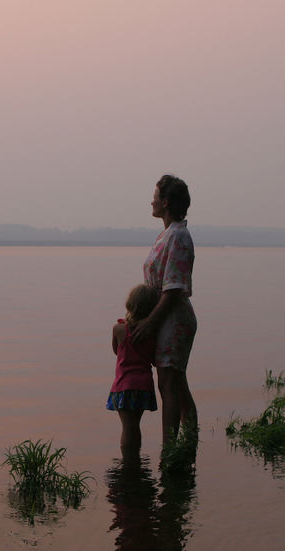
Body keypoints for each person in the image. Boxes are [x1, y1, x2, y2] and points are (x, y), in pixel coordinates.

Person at [132, 174, 198, 445]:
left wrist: (149, 322)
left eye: (156, 196)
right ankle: (187, 446)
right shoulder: (168, 234)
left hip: (173, 319)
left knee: (169, 386)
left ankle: (170, 452)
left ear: (166, 202)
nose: (152, 200)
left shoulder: (179, 236)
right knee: (176, 386)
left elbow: (172, 290)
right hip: (164, 318)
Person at [108, 283, 161, 453]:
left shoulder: (118, 329)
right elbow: (154, 359)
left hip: (124, 385)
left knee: (127, 427)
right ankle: (135, 461)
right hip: (144, 385)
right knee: (135, 426)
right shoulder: (152, 332)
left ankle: (129, 464)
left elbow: (117, 351)